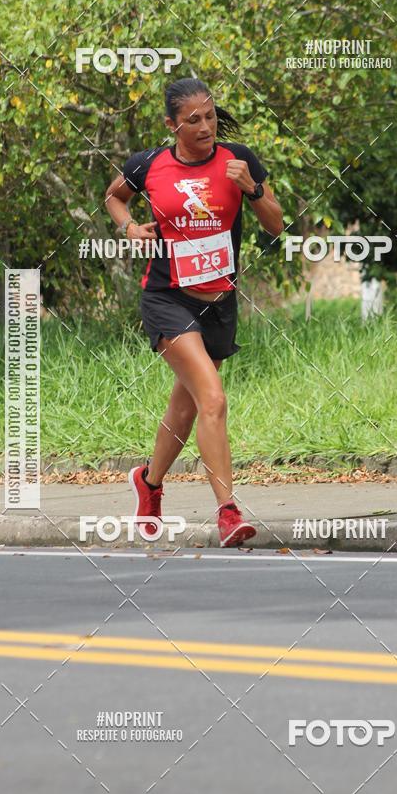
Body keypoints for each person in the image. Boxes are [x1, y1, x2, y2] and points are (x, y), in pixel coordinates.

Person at [105, 77, 284, 547]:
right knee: (213, 398)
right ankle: (227, 511)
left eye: (210, 116)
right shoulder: (148, 165)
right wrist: (128, 227)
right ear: (172, 125)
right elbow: (114, 196)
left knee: (184, 408)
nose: (206, 126)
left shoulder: (237, 160)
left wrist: (253, 188)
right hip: (168, 297)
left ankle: (149, 481)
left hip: (219, 302)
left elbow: (276, 225)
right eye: (193, 120)